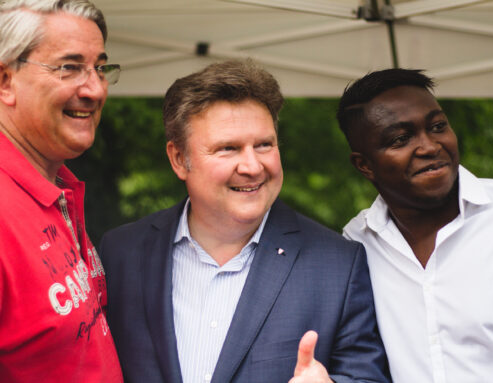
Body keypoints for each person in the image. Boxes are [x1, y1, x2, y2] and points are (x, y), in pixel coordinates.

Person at [99, 59, 390, 383]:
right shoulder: (120, 254)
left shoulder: (337, 264)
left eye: (264, 145)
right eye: (228, 148)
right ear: (180, 159)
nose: (252, 166)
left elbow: (366, 376)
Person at [338, 68, 493, 383]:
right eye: (401, 139)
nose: (429, 146)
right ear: (364, 164)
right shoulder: (355, 244)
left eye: (438, 126)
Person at [0, 1, 123, 382]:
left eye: (100, 68)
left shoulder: (56, 186)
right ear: (5, 81)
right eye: (69, 67)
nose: (95, 88)